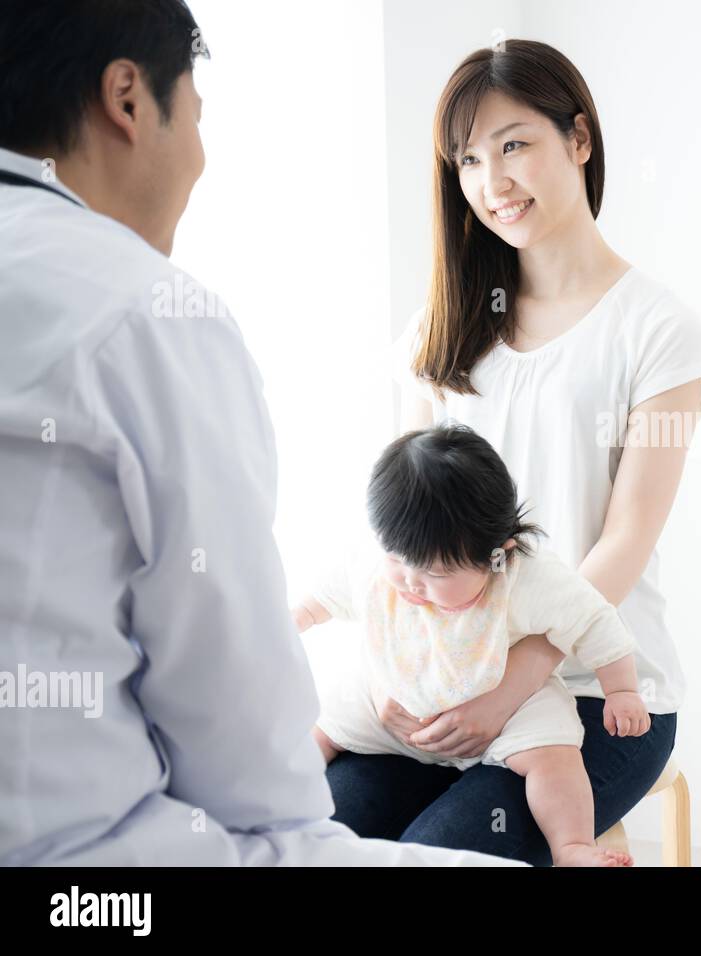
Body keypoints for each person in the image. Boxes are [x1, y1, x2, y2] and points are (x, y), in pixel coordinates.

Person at [0, 0, 521, 866]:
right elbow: (248, 769)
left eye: (513, 146)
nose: (199, 159)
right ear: (128, 100)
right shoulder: (148, 315)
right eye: (195, 116)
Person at [325, 39, 701, 865]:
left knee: (442, 856)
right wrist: (383, 675)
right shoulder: (440, 335)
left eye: (515, 144)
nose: (493, 182)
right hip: (444, 683)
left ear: (578, 139)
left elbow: (623, 542)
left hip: (595, 696)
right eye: (469, 159)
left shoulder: (659, 333)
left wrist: (514, 685)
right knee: (322, 837)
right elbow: (403, 536)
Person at [295, 425, 649, 866]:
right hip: (398, 706)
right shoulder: (381, 561)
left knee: (553, 755)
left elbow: (596, 621)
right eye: (397, 559)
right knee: (324, 724)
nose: (410, 582)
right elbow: (326, 594)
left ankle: (572, 846)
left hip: (506, 704)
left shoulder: (526, 578)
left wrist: (622, 690)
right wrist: (295, 619)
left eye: (436, 574)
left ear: (497, 554)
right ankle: (280, 796)